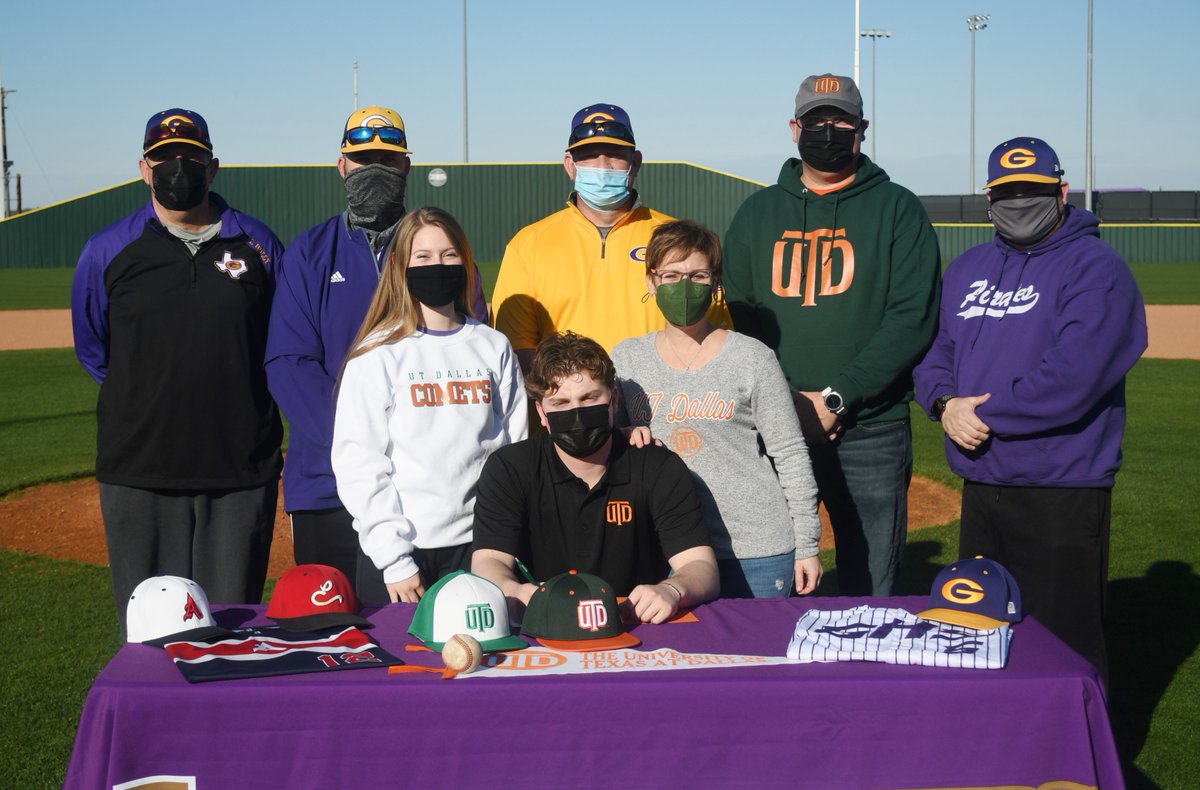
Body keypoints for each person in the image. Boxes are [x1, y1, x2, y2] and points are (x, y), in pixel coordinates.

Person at [914, 136, 1146, 683]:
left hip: (1060, 484)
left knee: (1065, 646)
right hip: (982, 482)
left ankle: (1083, 738)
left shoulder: (1096, 268)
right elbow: (935, 354)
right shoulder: (968, 267)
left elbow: (1074, 377)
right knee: (980, 635)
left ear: (1062, 193)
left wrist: (980, 416)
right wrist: (945, 405)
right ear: (989, 198)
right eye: (1007, 192)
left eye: (1033, 191)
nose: (1019, 202)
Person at [722, 73, 941, 596]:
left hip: (871, 426)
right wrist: (787, 402)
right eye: (816, 120)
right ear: (793, 128)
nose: (828, 131)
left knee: (872, 582)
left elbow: (911, 318)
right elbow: (741, 320)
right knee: (769, 574)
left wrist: (839, 397)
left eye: (840, 121)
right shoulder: (756, 213)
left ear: (862, 129)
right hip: (775, 423)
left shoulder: (898, 208)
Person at [71, 108, 284, 637]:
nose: (178, 167)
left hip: (239, 469)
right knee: (148, 632)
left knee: (230, 630)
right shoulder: (108, 250)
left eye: (190, 157)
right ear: (144, 169)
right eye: (164, 158)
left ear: (212, 167)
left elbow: (278, 342)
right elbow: (94, 349)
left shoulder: (257, 243)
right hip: (139, 469)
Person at [266, 106, 487, 589]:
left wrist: (416, 454)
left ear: (406, 166)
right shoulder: (309, 252)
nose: (375, 170)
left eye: (387, 160)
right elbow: (289, 363)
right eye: (363, 159)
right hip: (327, 485)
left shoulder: (439, 254)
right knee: (333, 622)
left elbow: (471, 354)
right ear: (341, 165)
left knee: (442, 620)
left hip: (432, 490)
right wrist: (359, 446)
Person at [612, 220, 822, 598]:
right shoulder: (627, 358)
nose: (684, 286)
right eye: (671, 275)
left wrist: (807, 543)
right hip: (667, 548)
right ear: (651, 281)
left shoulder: (752, 357)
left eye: (697, 275)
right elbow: (606, 448)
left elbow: (790, 452)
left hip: (754, 548)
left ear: (715, 283)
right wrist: (621, 434)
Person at [331, 208, 527, 603]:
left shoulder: (492, 345)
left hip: (480, 549)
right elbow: (359, 462)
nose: (437, 266)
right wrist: (394, 558)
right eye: (423, 257)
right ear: (400, 265)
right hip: (404, 557)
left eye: (449, 255)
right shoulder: (378, 353)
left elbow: (513, 448)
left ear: (465, 262)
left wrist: (504, 539)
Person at [471, 331, 719, 624]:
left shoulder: (657, 466)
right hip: (543, 620)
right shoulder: (509, 468)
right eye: (561, 403)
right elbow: (489, 560)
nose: (576, 413)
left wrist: (672, 589)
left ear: (614, 400)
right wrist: (514, 591)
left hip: (634, 621)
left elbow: (700, 565)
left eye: (589, 398)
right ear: (541, 412)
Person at [491, 103, 726, 370]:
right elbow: (516, 347)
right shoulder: (528, 244)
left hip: (659, 394)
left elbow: (714, 335)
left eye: (614, 154)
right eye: (589, 155)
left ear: (635, 163)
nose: (602, 166)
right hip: (570, 394)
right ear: (570, 166)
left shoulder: (678, 240)